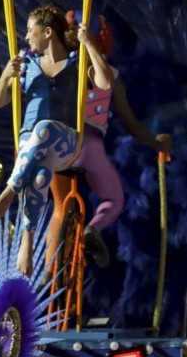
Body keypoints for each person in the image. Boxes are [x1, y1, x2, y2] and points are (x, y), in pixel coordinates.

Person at [0, 5, 103, 273]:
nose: (26, 36)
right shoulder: (26, 64)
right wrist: (6, 75)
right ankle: (26, 247)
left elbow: (106, 82)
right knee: (39, 177)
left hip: (66, 142)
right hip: (31, 146)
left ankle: (6, 194)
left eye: (30, 30)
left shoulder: (77, 62)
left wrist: (90, 45)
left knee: (45, 128)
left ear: (48, 32)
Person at [72, 15, 172, 267]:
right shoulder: (110, 77)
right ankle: (92, 228)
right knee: (114, 200)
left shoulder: (60, 67)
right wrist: (155, 143)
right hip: (88, 143)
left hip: (57, 142)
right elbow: (131, 123)